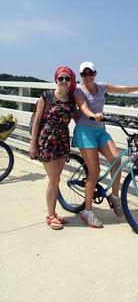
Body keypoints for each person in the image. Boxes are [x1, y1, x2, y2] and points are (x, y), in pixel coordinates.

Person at [72, 61, 138, 228]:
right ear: (81, 76)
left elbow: (123, 89)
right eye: (84, 74)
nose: (88, 76)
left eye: (91, 73)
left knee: (117, 159)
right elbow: (83, 107)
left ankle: (114, 196)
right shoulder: (78, 90)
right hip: (85, 131)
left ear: (95, 73)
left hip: (100, 130)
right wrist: (93, 114)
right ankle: (87, 211)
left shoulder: (102, 87)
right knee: (94, 171)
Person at [29, 66, 77, 230]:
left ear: (71, 81)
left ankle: (54, 213)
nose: (64, 81)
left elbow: (79, 117)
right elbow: (36, 121)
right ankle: (50, 215)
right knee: (53, 179)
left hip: (62, 140)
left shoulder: (71, 99)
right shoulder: (47, 96)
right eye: (61, 78)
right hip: (47, 140)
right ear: (56, 79)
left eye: (67, 78)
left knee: (56, 178)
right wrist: (33, 144)